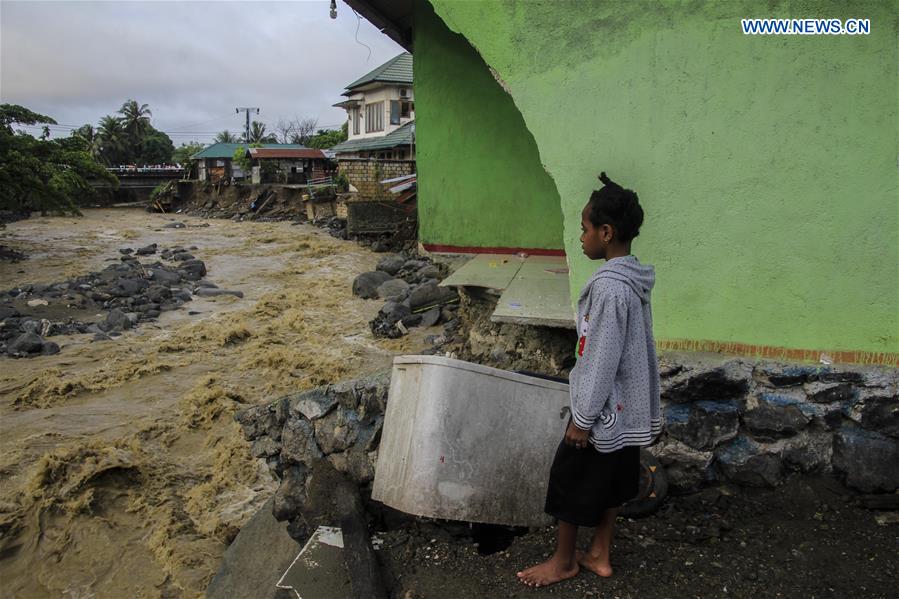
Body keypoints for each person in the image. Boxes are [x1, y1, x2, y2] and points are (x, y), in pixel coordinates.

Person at [517, 172, 661, 588]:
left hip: (604, 411)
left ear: (606, 232)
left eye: (584, 229)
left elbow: (600, 359)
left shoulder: (610, 289)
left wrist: (582, 419)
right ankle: (599, 553)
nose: (580, 237)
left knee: (571, 478)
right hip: (628, 408)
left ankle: (564, 561)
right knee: (614, 481)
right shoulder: (633, 280)